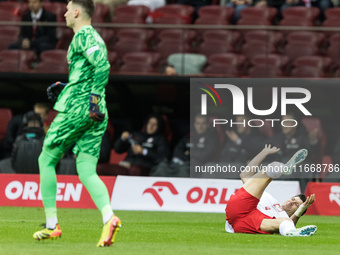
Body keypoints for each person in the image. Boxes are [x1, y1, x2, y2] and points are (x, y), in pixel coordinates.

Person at [32, 0, 121, 248]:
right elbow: (90, 70)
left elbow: (102, 65)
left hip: (81, 108)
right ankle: (108, 217)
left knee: (46, 158)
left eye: (67, 9)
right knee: (86, 169)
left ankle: (52, 225)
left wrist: (90, 99)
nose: (63, 13)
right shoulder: (91, 37)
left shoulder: (84, 35)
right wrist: (68, 85)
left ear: (76, 12)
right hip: (95, 111)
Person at [225, 144, 317, 236]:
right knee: (269, 170)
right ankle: (284, 168)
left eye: (296, 205)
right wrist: (263, 153)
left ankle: (292, 233)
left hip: (246, 224)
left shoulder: (283, 217)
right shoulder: (269, 198)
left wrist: (299, 212)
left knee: (285, 223)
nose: (291, 202)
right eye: (293, 199)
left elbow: (290, 222)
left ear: (296, 211)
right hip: (240, 209)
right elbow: (245, 175)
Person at [97, 114, 170, 176]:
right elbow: (118, 149)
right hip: (125, 166)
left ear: (159, 126)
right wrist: (122, 139)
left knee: (134, 170)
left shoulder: (161, 140)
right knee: (99, 168)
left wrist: (144, 151)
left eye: (154, 124)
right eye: (149, 123)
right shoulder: (136, 135)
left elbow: (162, 158)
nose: (151, 126)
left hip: (145, 168)